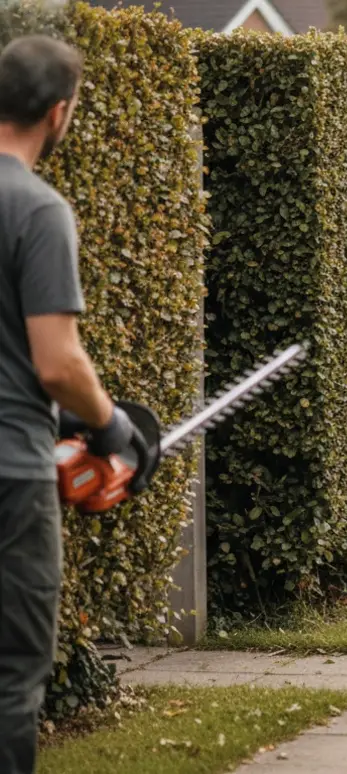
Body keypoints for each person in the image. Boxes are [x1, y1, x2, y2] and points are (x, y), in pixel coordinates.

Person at [0, 35, 136, 774]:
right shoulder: (36, 208)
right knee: (13, 673)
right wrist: (110, 425)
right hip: (10, 476)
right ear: (59, 113)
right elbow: (57, 364)